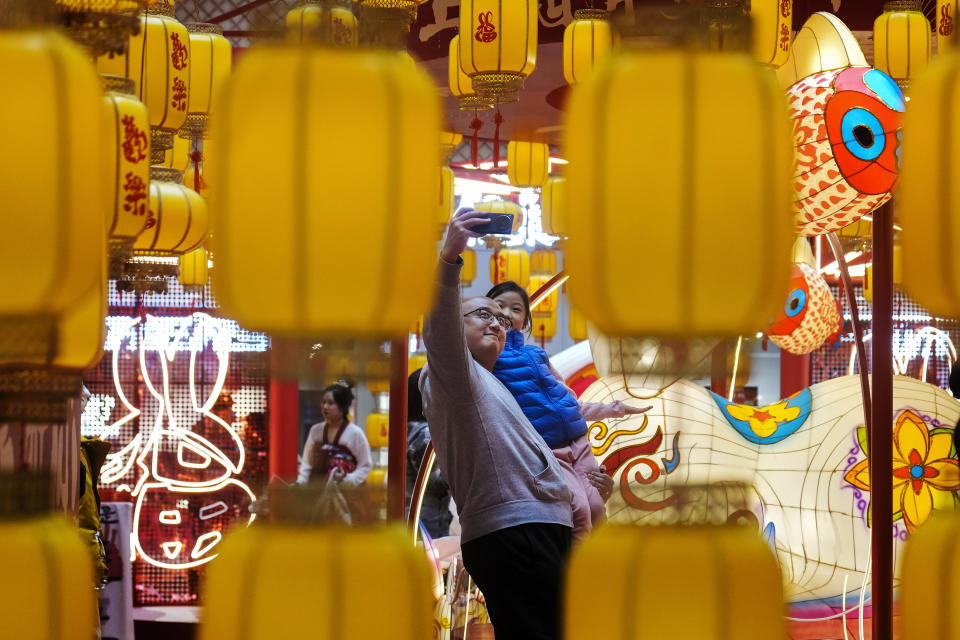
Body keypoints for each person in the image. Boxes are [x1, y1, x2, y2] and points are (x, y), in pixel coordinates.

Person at [420, 208, 574, 640]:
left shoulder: (489, 383)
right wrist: (449, 258)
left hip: (535, 526)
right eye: (483, 314)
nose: (498, 324)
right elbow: (440, 331)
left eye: (504, 320)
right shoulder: (454, 376)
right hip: (515, 529)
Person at [487, 280, 652, 540]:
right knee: (579, 511)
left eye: (516, 309)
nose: (507, 313)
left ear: (525, 322)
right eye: (499, 307)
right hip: (550, 450)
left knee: (597, 505)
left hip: (578, 440)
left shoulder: (537, 355)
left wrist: (615, 409)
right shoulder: (488, 359)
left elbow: (569, 402)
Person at [405, 368, 453, 538]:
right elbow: (436, 481)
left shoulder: (409, 428)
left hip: (418, 517)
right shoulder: (425, 434)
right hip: (427, 520)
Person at [297, 382, 373, 486]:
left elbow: (365, 465)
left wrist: (347, 479)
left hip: (346, 494)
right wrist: (300, 483)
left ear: (342, 407)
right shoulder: (315, 430)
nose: (325, 406)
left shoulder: (355, 433)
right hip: (317, 491)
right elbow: (307, 463)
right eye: (323, 402)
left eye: (330, 403)